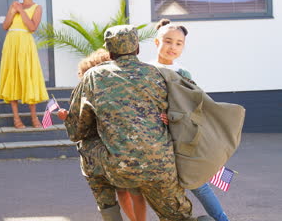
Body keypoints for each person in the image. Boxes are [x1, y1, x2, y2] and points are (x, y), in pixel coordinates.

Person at [63, 25, 211, 221]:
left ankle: (110, 214)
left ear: (110, 51)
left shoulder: (93, 77)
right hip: (161, 165)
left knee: (86, 148)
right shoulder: (157, 74)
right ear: (138, 48)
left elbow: (76, 131)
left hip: (118, 166)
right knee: (180, 217)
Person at [150, 19, 230, 221]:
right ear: (156, 42)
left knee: (198, 184)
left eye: (179, 43)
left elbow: (192, 104)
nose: (173, 47)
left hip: (180, 135)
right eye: (168, 41)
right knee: (161, 189)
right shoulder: (146, 71)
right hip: (153, 138)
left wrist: (173, 117)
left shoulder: (183, 73)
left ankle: (222, 219)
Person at [60, 48, 147, 221]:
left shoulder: (98, 94)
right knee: (130, 191)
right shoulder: (113, 91)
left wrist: (68, 120)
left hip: (105, 156)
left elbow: (77, 131)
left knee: (122, 195)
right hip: (123, 153)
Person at [0, 0, 48, 129]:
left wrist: (21, 10)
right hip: (11, 43)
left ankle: (34, 118)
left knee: (28, 77)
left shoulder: (37, 7)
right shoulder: (14, 6)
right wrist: (13, 12)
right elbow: (5, 26)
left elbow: (32, 27)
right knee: (12, 77)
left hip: (25, 44)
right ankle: (16, 119)